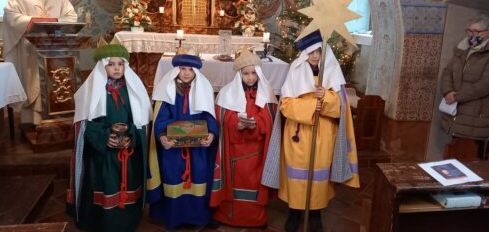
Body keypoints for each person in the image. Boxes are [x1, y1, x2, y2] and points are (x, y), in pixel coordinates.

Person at [262, 30, 360, 232]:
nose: (315, 56)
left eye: (318, 52)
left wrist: (326, 98)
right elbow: (286, 106)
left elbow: (341, 108)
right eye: (311, 52)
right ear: (304, 54)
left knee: (319, 175)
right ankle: (294, 212)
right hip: (297, 135)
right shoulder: (294, 72)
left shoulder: (332, 76)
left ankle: (316, 214)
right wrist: (309, 107)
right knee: (295, 175)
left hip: (323, 135)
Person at [66, 44, 150, 232]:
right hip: (102, 156)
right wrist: (104, 138)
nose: (117, 68)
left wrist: (132, 138)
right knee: (104, 185)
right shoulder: (92, 91)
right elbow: (85, 126)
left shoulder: (132, 91)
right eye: (111, 64)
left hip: (127, 153)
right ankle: (103, 222)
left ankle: (128, 220)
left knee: (128, 185)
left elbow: (139, 121)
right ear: (102, 67)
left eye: (120, 64)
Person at [147, 47, 219, 229]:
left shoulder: (203, 88)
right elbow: (160, 117)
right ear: (175, 70)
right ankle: (172, 217)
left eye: (190, 69)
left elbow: (209, 116)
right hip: (172, 149)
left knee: (199, 178)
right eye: (182, 68)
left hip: (198, 149)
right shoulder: (166, 89)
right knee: (172, 179)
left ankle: (198, 217)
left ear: (196, 71)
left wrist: (211, 133)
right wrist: (162, 136)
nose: (186, 73)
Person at [2, 0, 77, 125]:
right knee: (33, 80)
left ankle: (57, 118)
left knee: (54, 81)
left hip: (54, 48)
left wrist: (54, 20)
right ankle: (32, 121)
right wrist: (31, 21)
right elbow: (9, 15)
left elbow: (72, 17)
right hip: (30, 48)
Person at [210, 49, 278, 228]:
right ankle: (228, 216)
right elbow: (222, 114)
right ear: (239, 74)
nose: (250, 77)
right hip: (234, 149)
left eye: (253, 73)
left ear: (259, 73)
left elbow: (270, 117)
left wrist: (257, 124)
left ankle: (255, 217)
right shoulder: (227, 92)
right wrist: (235, 124)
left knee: (255, 184)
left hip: (257, 150)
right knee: (233, 182)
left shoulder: (267, 93)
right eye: (246, 73)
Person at [440, 15, 489, 159]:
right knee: (455, 149)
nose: (471, 35)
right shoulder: (463, 48)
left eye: (476, 32)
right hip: (456, 110)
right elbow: (447, 72)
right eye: (469, 31)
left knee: (471, 156)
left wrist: (457, 96)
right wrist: (448, 91)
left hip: (478, 114)